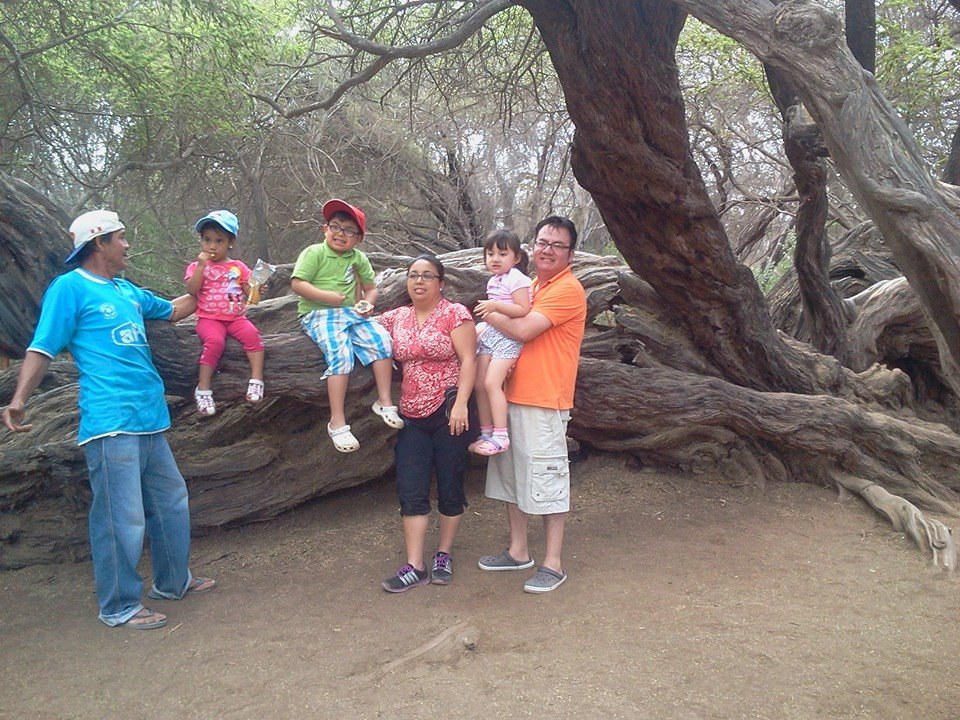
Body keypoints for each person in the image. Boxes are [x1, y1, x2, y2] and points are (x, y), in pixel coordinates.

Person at [2, 209, 216, 630]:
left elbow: (175, 309)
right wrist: (19, 399)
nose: (127, 244)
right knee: (121, 516)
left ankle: (173, 582)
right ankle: (119, 605)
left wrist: (215, 281)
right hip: (109, 420)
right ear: (99, 243)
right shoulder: (70, 287)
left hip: (150, 417)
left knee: (171, 502)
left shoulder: (127, 290)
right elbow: (43, 346)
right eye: (120, 237)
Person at [477, 216, 586, 593]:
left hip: (544, 400)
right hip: (510, 395)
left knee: (547, 479)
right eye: (542, 242)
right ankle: (518, 550)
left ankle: (553, 563)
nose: (548, 250)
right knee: (512, 478)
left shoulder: (567, 289)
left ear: (570, 254)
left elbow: (523, 329)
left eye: (557, 245)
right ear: (532, 247)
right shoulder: (531, 285)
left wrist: (489, 312)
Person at [377, 254, 476, 592]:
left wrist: (461, 404)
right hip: (411, 415)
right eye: (413, 275)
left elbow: (469, 360)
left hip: (449, 412)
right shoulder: (396, 317)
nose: (419, 281)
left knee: (450, 483)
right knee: (411, 487)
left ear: (441, 283)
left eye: (427, 275)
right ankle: (415, 565)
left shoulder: (455, 314)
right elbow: (364, 326)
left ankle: (443, 555)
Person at [291, 199, 402, 453]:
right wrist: (326, 297)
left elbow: (371, 288)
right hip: (318, 313)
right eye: (336, 227)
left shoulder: (358, 258)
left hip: (351, 313)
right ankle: (337, 422)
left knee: (382, 340)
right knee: (341, 355)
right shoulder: (314, 253)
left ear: (359, 239)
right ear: (325, 229)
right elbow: (298, 284)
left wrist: (368, 303)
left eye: (349, 230)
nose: (341, 234)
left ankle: (384, 401)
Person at [184, 210, 266, 416]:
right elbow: (192, 290)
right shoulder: (196, 266)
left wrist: (257, 289)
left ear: (230, 242)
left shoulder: (237, 266)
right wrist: (200, 267)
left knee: (254, 336)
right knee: (215, 342)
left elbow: (250, 293)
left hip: (236, 317)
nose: (212, 246)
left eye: (219, 241)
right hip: (209, 318)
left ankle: (256, 379)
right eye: (207, 240)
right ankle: (203, 388)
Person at [469, 229, 531, 456]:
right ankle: (486, 431)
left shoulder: (517, 279)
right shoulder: (494, 280)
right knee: (479, 383)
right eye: (490, 254)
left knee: (492, 383)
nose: (495, 259)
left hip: (508, 337)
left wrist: (495, 306)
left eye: (502, 254)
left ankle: (501, 435)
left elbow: (523, 309)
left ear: (516, 257)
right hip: (491, 334)